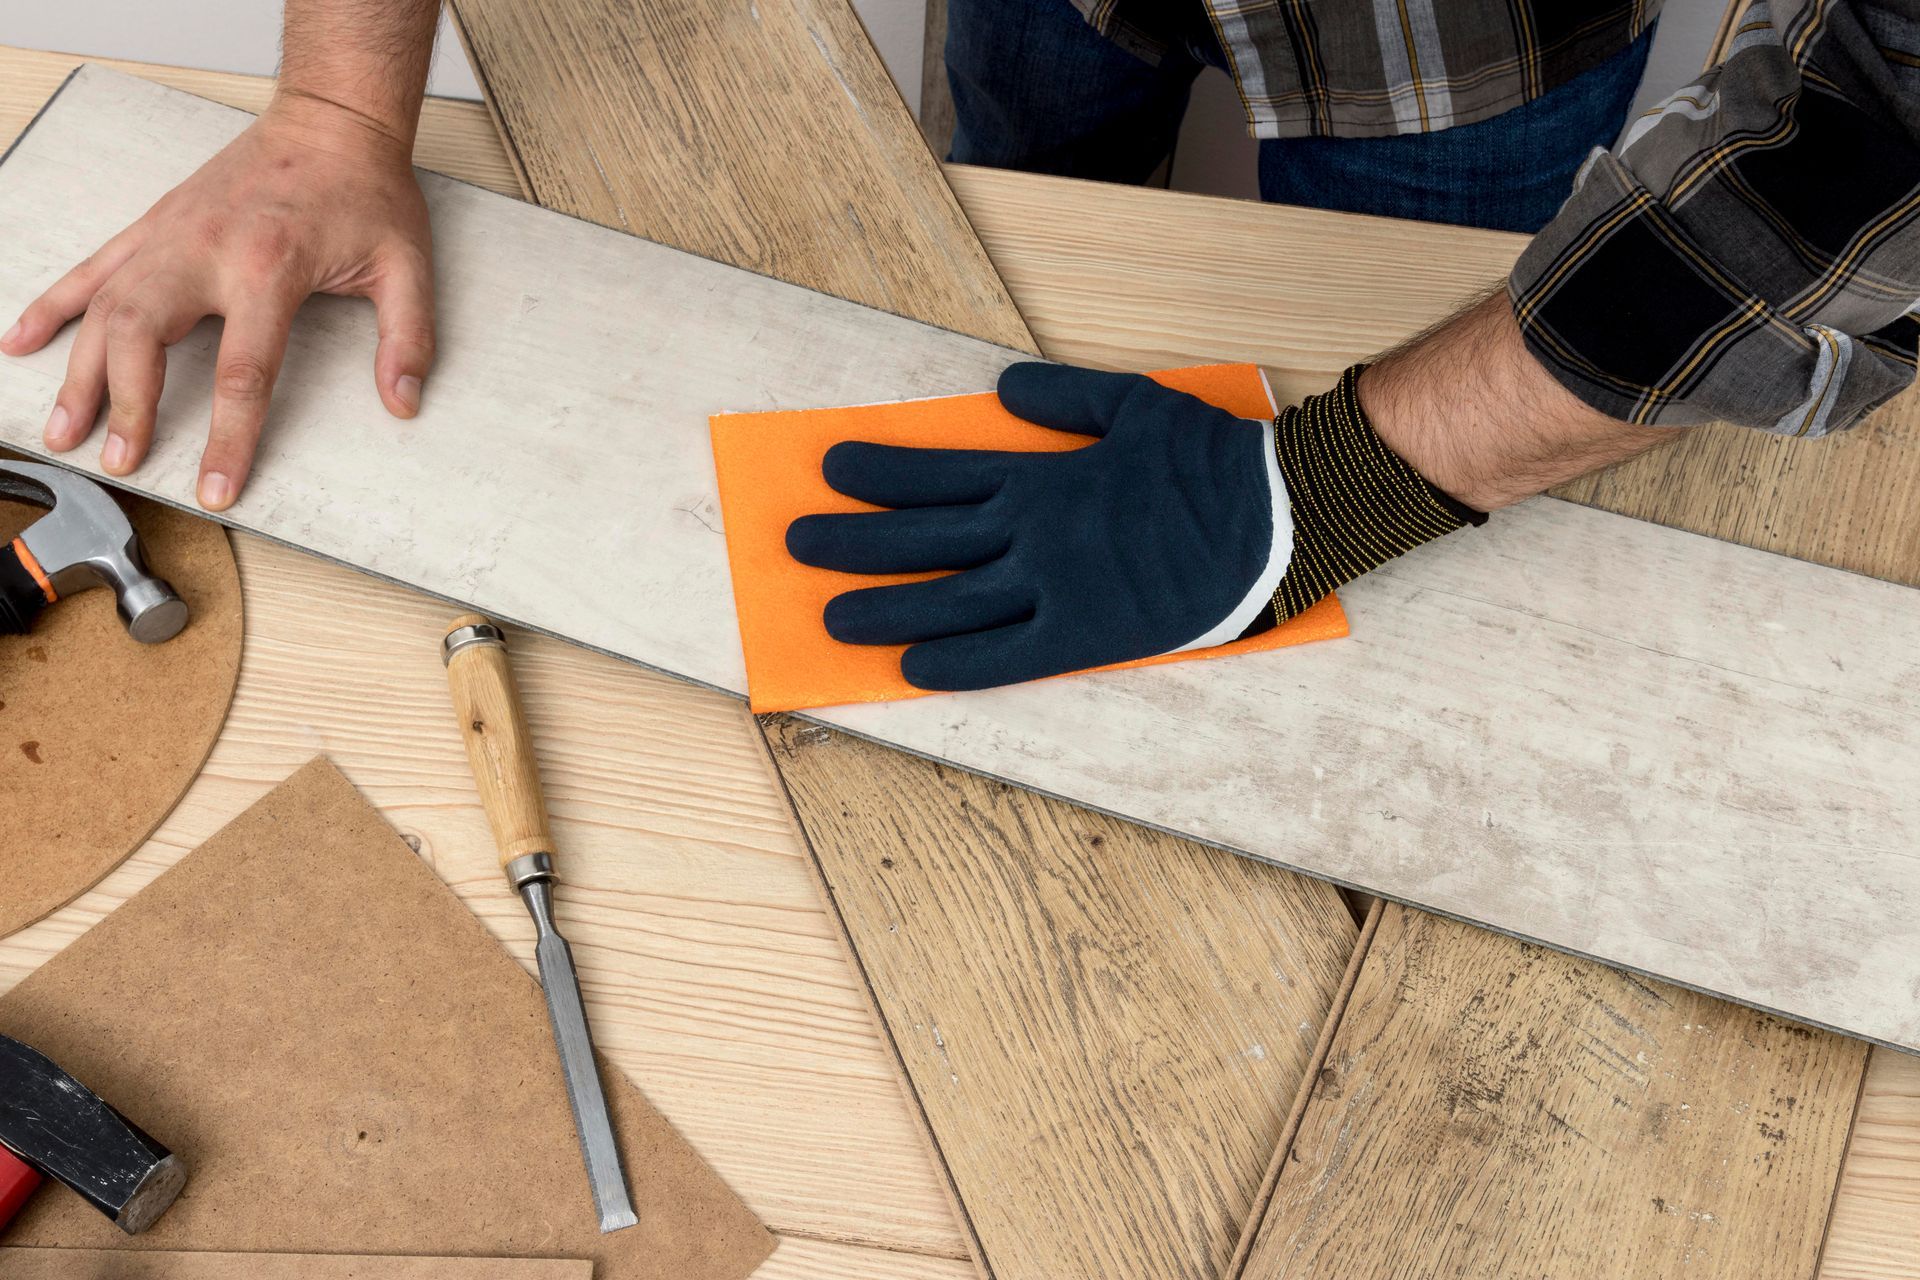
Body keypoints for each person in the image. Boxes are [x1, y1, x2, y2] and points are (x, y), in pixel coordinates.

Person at [4, 1, 1915, 692]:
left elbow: (1868, 143)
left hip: (1456, 30)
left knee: (1421, 439)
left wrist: (1327, 483)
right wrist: (342, 107)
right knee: (1013, 208)